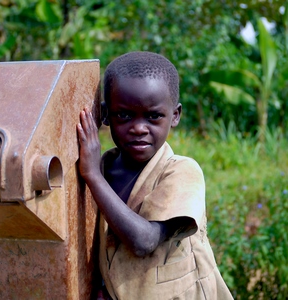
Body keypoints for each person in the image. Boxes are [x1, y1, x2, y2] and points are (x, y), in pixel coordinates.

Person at [77, 51, 233, 300]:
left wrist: (92, 176)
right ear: (105, 115)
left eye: (153, 116)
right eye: (124, 115)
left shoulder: (181, 171)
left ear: (175, 116)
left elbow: (144, 241)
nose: (139, 128)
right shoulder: (103, 167)